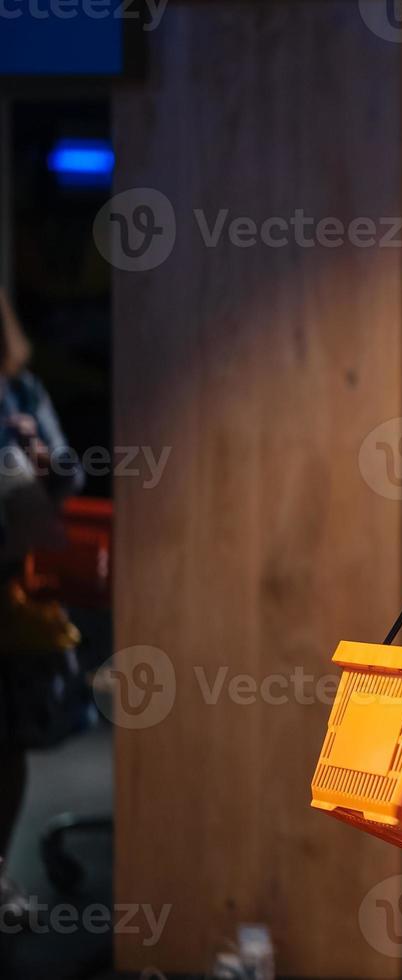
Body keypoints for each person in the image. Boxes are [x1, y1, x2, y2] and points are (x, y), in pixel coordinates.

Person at [0, 288, 83, 919]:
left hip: (11, 585)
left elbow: (68, 475)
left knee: (8, 741)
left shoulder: (20, 391)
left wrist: (40, 457)